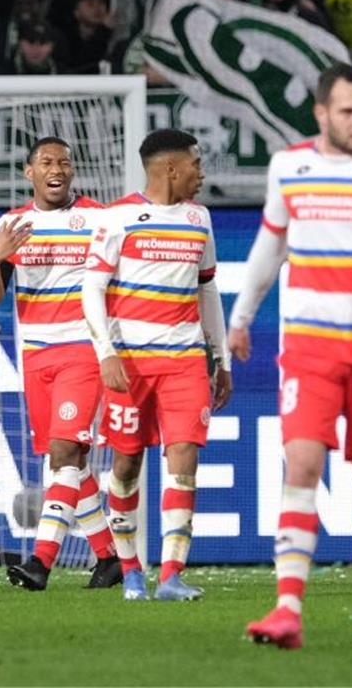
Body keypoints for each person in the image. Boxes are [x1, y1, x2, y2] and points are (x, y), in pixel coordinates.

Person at [233, 64, 352, 650]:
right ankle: (287, 609)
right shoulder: (291, 166)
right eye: (348, 112)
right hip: (310, 348)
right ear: (320, 113)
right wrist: (240, 317)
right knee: (302, 467)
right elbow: (270, 245)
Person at [81, 129, 233, 602]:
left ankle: (170, 576)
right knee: (126, 465)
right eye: (196, 163)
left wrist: (220, 357)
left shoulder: (199, 218)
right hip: (130, 362)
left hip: (184, 359)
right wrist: (105, 352)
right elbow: (92, 289)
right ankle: (130, 572)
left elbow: (207, 290)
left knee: (184, 458)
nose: (202, 172)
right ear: (170, 168)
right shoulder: (118, 217)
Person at [0, 137, 122, 592]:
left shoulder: (100, 219)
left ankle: (41, 561)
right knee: (72, 464)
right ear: (29, 173)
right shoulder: (13, 224)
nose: (56, 168)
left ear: (72, 171)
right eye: (46, 162)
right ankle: (109, 557)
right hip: (36, 356)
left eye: (63, 161)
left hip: (83, 348)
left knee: (62, 455)